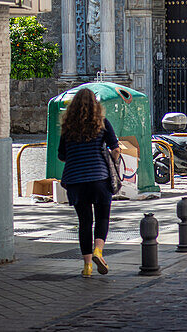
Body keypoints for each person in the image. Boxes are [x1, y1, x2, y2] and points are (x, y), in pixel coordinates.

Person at [58, 87, 120, 277]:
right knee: (102, 218)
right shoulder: (102, 123)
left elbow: (62, 156)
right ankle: (98, 252)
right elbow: (115, 148)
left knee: (84, 222)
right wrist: (113, 160)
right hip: (99, 178)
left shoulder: (68, 128)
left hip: (75, 180)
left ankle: (87, 267)